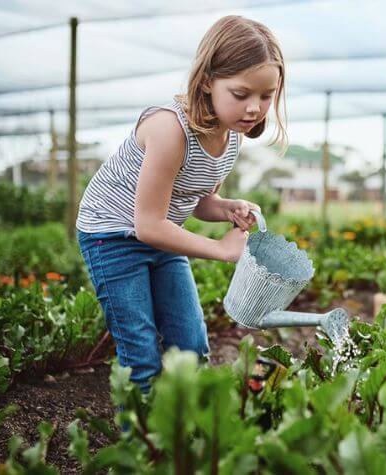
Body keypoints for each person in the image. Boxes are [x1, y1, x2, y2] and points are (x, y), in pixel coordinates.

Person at [75, 15, 287, 392]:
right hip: (112, 237)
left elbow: (199, 201)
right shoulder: (169, 129)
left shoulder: (231, 137)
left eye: (266, 96)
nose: (254, 108)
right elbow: (148, 224)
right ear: (207, 80)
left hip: (161, 237)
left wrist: (226, 207)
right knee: (141, 358)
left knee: (190, 348)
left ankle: (184, 435)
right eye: (241, 94)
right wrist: (222, 250)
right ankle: (142, 447)